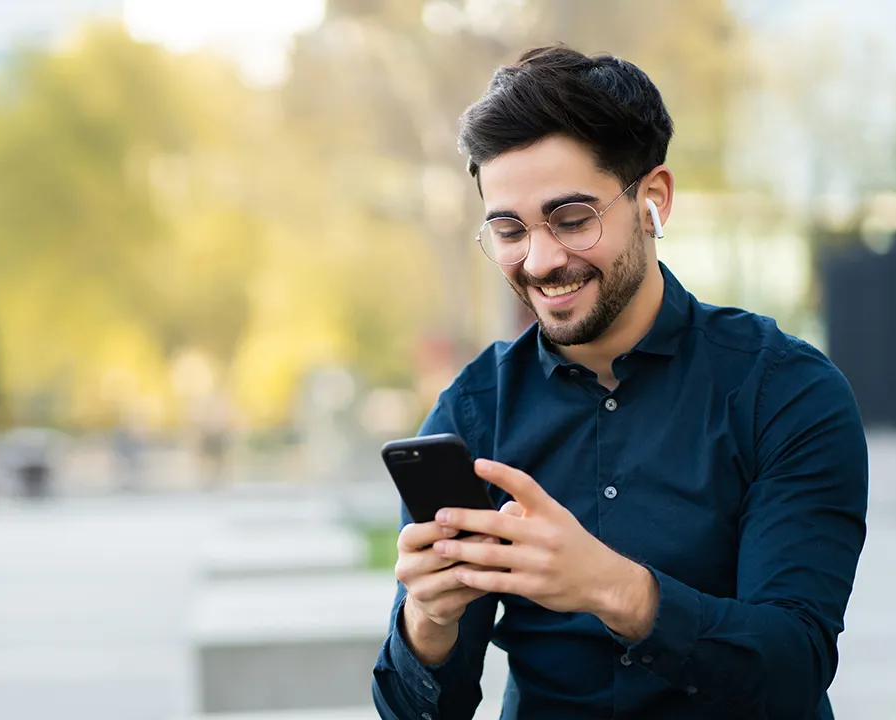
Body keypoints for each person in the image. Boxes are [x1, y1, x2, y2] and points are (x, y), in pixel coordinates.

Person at [371, 45, 867, 719]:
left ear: (652, 200)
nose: (541, 261)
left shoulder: (786, 394)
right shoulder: (472, 414)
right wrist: (427, 623)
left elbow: (792, 668)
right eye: (509, 230)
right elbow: (419, 711)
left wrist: (612, 588)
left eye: (572, 219)